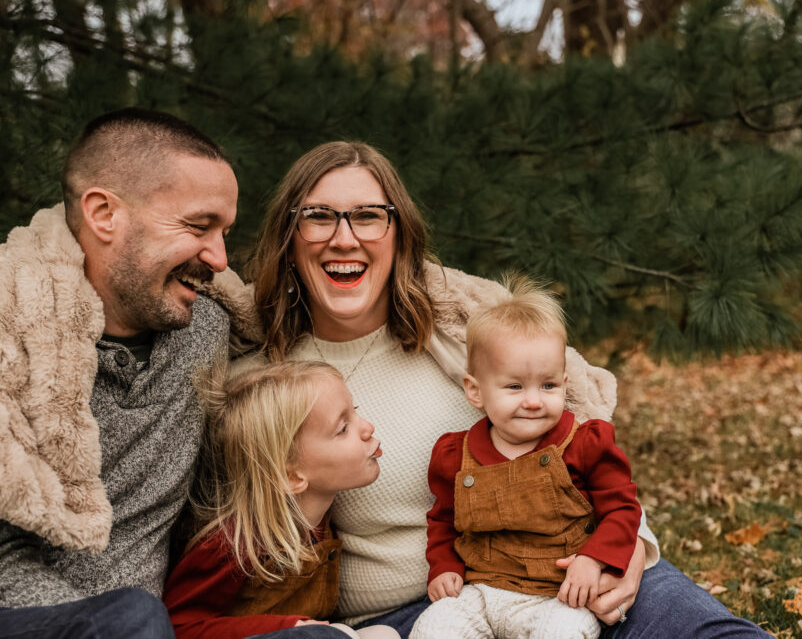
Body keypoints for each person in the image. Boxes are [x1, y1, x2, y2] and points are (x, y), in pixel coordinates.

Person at [241, 140, 774, 637]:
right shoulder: (259, 381)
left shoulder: (458, 334)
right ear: (288, 237)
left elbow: (582, 451)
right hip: (423, 612)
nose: (344, 236)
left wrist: (631, 550)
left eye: (367, 216)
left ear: (398, 234)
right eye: (317, 216)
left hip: (568, 571)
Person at [0, 108, 253, 638]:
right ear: (104, 214)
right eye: (198, 226)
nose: (220, 257)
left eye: (224, 231)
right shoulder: (11, 337)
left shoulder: (205, 330)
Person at [410, 277, 642, 639]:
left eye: (548, 385)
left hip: (558, 594)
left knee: (564, 631)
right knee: (435, 627)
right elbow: (442, 520)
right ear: (475, 390)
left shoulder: (584, 444)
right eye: (515, 386)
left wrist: (593, 558)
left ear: (564, 384)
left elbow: (623, 510)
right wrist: (443, 567)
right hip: (480, 592)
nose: (534, 400)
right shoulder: (456, 455)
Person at [163, 360, 398, 639]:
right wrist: (288, 629)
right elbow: (179, 626)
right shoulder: (234, 542)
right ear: (292, 477)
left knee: (384, 634)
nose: (368, 427)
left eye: (356, 412)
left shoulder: (319, 519)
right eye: (342, 428)